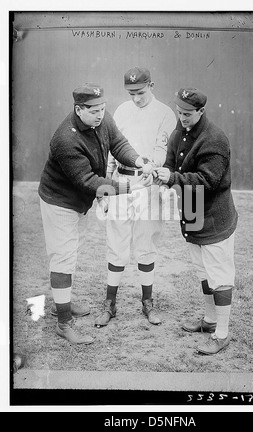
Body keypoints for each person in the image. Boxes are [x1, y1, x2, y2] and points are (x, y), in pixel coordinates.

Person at [38, 83, 149, 344]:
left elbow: (119, 143)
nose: (100, 115)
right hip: (60, 201)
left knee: (70, 252)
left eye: (102, 108)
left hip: (78, 201)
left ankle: (59, 303)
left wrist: (139, 161)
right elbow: (89, 181)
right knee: (63, 257)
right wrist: (131, 185)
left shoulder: (101, 117)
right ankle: (63, 323)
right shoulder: (66, 138)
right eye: (94, 110)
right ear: (78, 109)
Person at [156, 87, 238, 355]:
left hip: (214, 214)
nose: (182, 117)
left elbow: (207, 181)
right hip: (191, 210)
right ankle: (210, 319)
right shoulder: (179, 132)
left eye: (188, 113)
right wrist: (159, 174)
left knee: (219, 274)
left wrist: (171, 179)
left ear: (201, 111)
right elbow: (170, 165)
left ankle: (222, 333)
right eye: (179, 112)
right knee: (202, 270)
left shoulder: (214, 139)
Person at [94, 67, 176, 327]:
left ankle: (147, 302)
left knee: (146, 243)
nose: (136, 98)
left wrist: (153, 169)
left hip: (148, 183)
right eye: (131, 93)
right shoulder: (121, 111)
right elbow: (110, 152)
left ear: (152, 84)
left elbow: (163, 147)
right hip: (120, 181)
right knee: (116, 244)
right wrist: (106, 187)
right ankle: (110, 304)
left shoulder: (165, 113)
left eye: (140, 92)